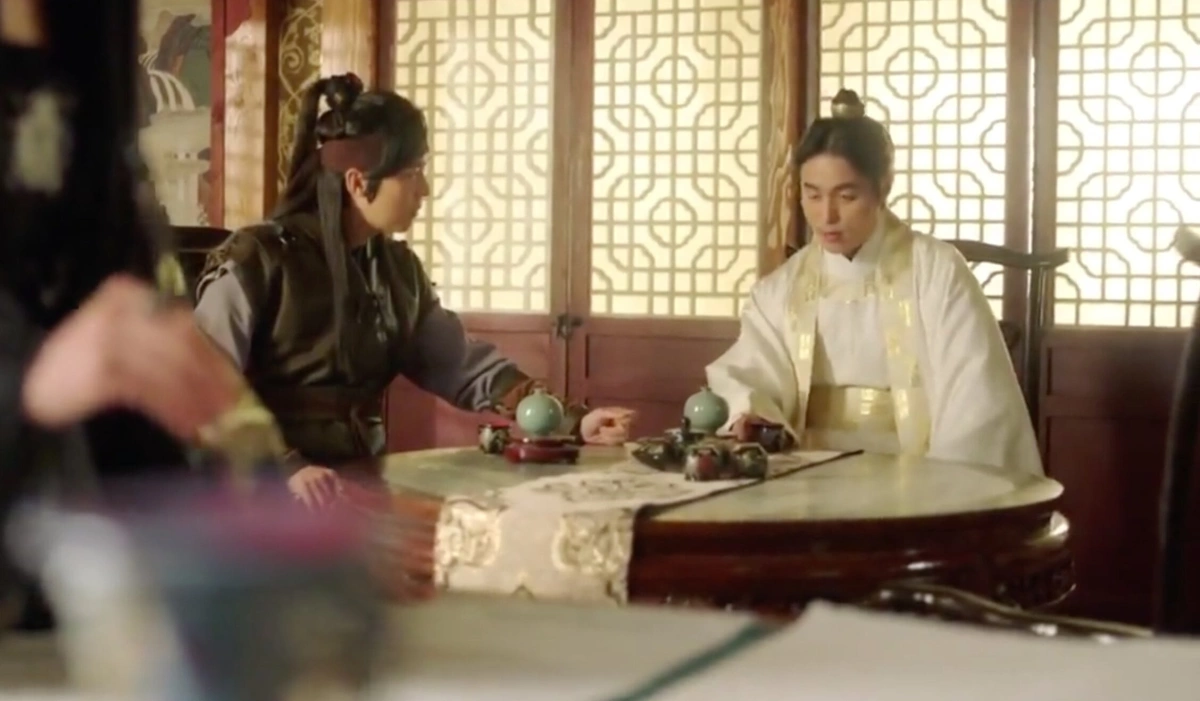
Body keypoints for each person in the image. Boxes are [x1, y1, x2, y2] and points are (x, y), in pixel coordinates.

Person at [194, 75, 635, 505]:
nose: (424, 190)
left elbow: (463, 366)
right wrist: (287, 467)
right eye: (412, 174)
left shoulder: (396, 272)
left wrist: (573, 420)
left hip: (359, 486)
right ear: (357, 183)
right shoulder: (258, 261)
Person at [1, 0, 248, 630]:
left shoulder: (94, 19)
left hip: (58, 593)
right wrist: (28, 381)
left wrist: (259, 535)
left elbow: (111, 317)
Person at [705, 89, 1042, 475]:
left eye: (846, 196)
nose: (827, 216)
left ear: (883, 187)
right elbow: (749, 373)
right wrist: (752, 412)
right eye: (812, 195)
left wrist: (943, 488)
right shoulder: (782, 289)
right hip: (804, 475)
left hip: (916, 475)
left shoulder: (938, 272)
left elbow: (976, 399)